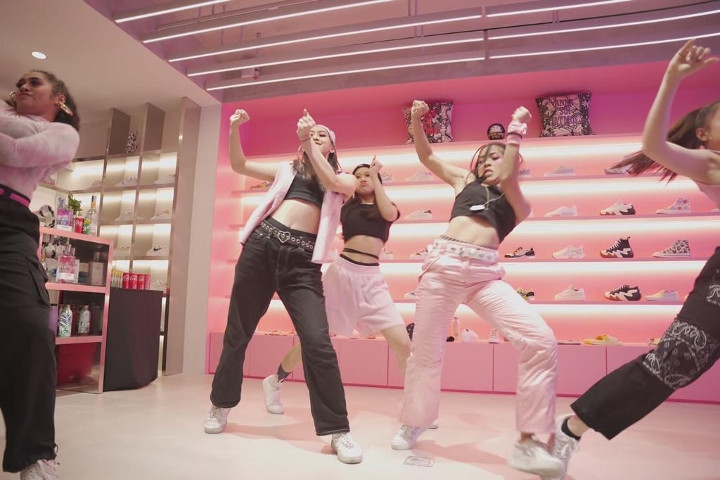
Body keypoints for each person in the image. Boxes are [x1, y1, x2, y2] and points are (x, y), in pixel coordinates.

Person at [548, 39, 720, 480]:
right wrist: (672, 79)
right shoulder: (711, 163)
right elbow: (654, 145)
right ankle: (569, 430)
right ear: (704, 135)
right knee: (674, 363)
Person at [392, 100, 563, 478]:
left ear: (514, 162)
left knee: (541, 340)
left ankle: (531, 438)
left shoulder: (518, 202)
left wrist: (514, 133)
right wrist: (416, 121)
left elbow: (510, 178)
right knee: (426, 354)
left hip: (485, 276)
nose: (487, 161)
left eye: (496, 156)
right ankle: (415, 421)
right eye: (483, 157)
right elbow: (426, 156)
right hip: (442, 267)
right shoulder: (463, 181)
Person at [205, 108, 363, 464]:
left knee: (318, 343)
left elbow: (332, 181)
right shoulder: (286, 169)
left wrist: (307, 141)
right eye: (312, 133)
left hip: (303, 263)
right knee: (237, 333)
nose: (316, 136)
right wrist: (234, 128)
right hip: (262, 246)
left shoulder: (345, 178)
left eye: (323, 135)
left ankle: (337, 430)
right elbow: (240, 164)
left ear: (333, 148)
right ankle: (220, 404)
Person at [261, 159, 411, 415]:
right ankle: (275, 381)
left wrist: (376, 177)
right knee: (314, 339)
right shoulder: (346, 205)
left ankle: (415, 404)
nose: (363, 178)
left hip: (372, 279)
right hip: (342, 274)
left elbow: (388, 214)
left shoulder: (387, 207)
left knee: (402, 343)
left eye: (368, 175)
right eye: (359, 175)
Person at [0, 71, 80, 479]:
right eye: (20, 83)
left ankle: (35, 453)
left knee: (33, 325)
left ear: (59, 98)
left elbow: (16, 152)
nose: (24, 87)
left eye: (35, 82)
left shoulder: (64, 133)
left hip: (9, 222)